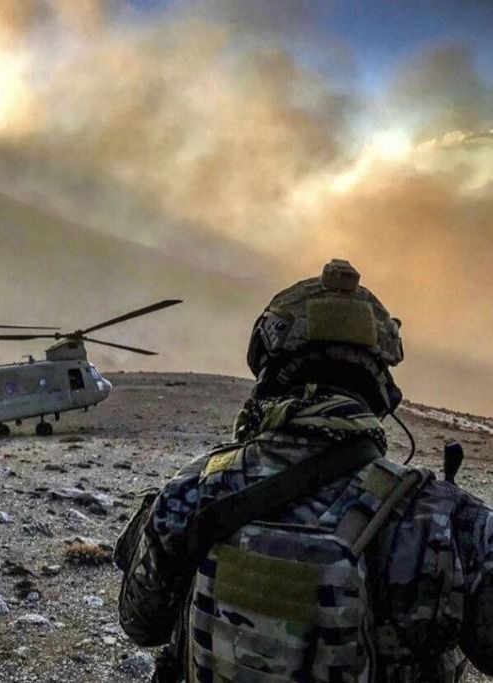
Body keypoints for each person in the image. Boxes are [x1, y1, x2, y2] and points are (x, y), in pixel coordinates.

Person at [116, 259, 493, 682]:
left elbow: (139, 624)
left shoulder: (194, 488)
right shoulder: (447, 522)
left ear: (268, 373)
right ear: (382, 391)